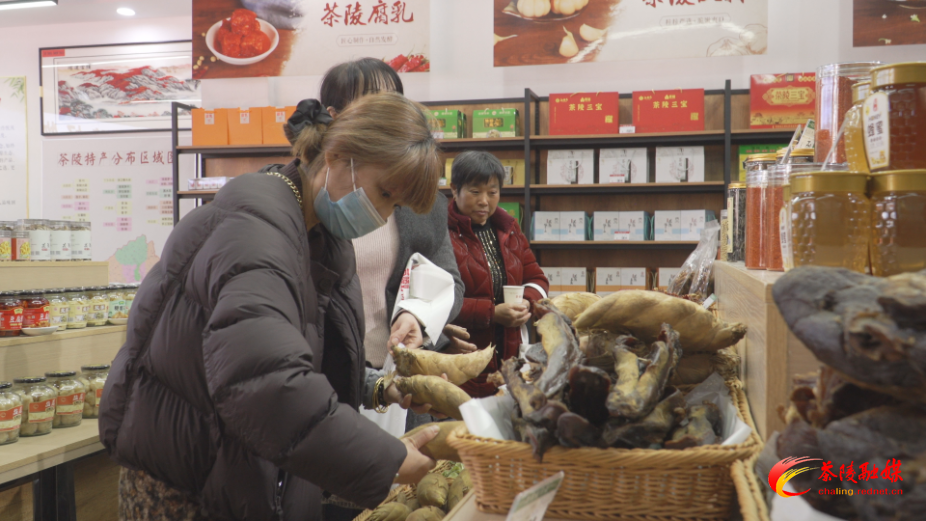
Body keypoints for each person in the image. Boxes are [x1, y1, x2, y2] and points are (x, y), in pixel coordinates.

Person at [99, 92, 444, 521]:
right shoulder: (257, 231)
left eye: (396, 205)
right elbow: (266, 383)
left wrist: (382, 388)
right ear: (337, 156)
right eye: (385, 193)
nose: (383, 215)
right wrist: (385, 458)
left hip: (234, 469)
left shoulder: (317, 237)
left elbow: (293, 358)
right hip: (189, 486)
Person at [447, 151, 549, 398]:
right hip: (462, 360)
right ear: (454, 190)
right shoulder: (441, 233)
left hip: (509, 360)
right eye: (475, 192)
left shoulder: (509, 230)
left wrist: (527, 303)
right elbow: (438, 301)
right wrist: (492, 313)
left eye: (492, 192)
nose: (484, 201)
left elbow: (538, 279)